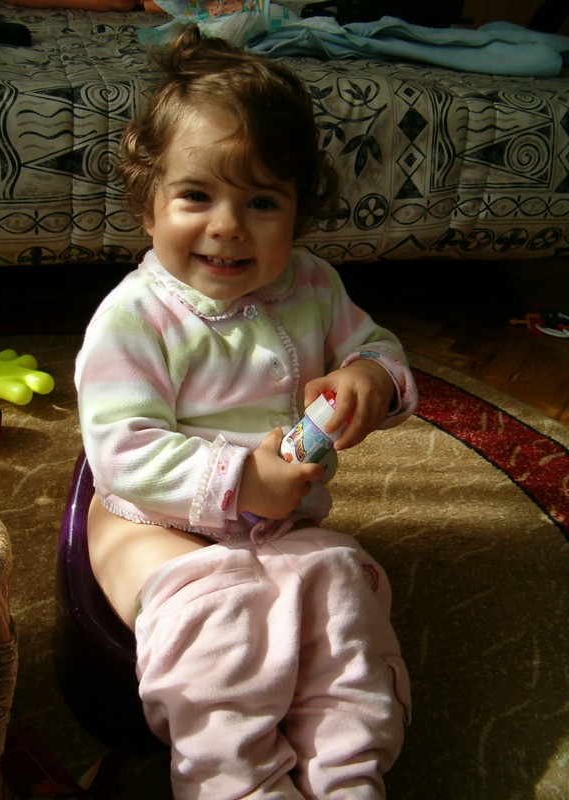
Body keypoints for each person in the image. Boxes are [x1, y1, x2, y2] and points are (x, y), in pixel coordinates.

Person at [75, 23, 417, 800]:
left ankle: (347, 772)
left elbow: (379, 345)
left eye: (262, 201)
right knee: (221, 621)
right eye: (197, 196)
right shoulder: (134, 317)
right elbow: (121, 450)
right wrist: (239, 479)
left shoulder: (313, 286)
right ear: (148, 206)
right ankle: (238, 783)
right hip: (153, 523)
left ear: (299, 211)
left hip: (286, 523)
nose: (227, 224)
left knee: (342, 589)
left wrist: (373, 376)